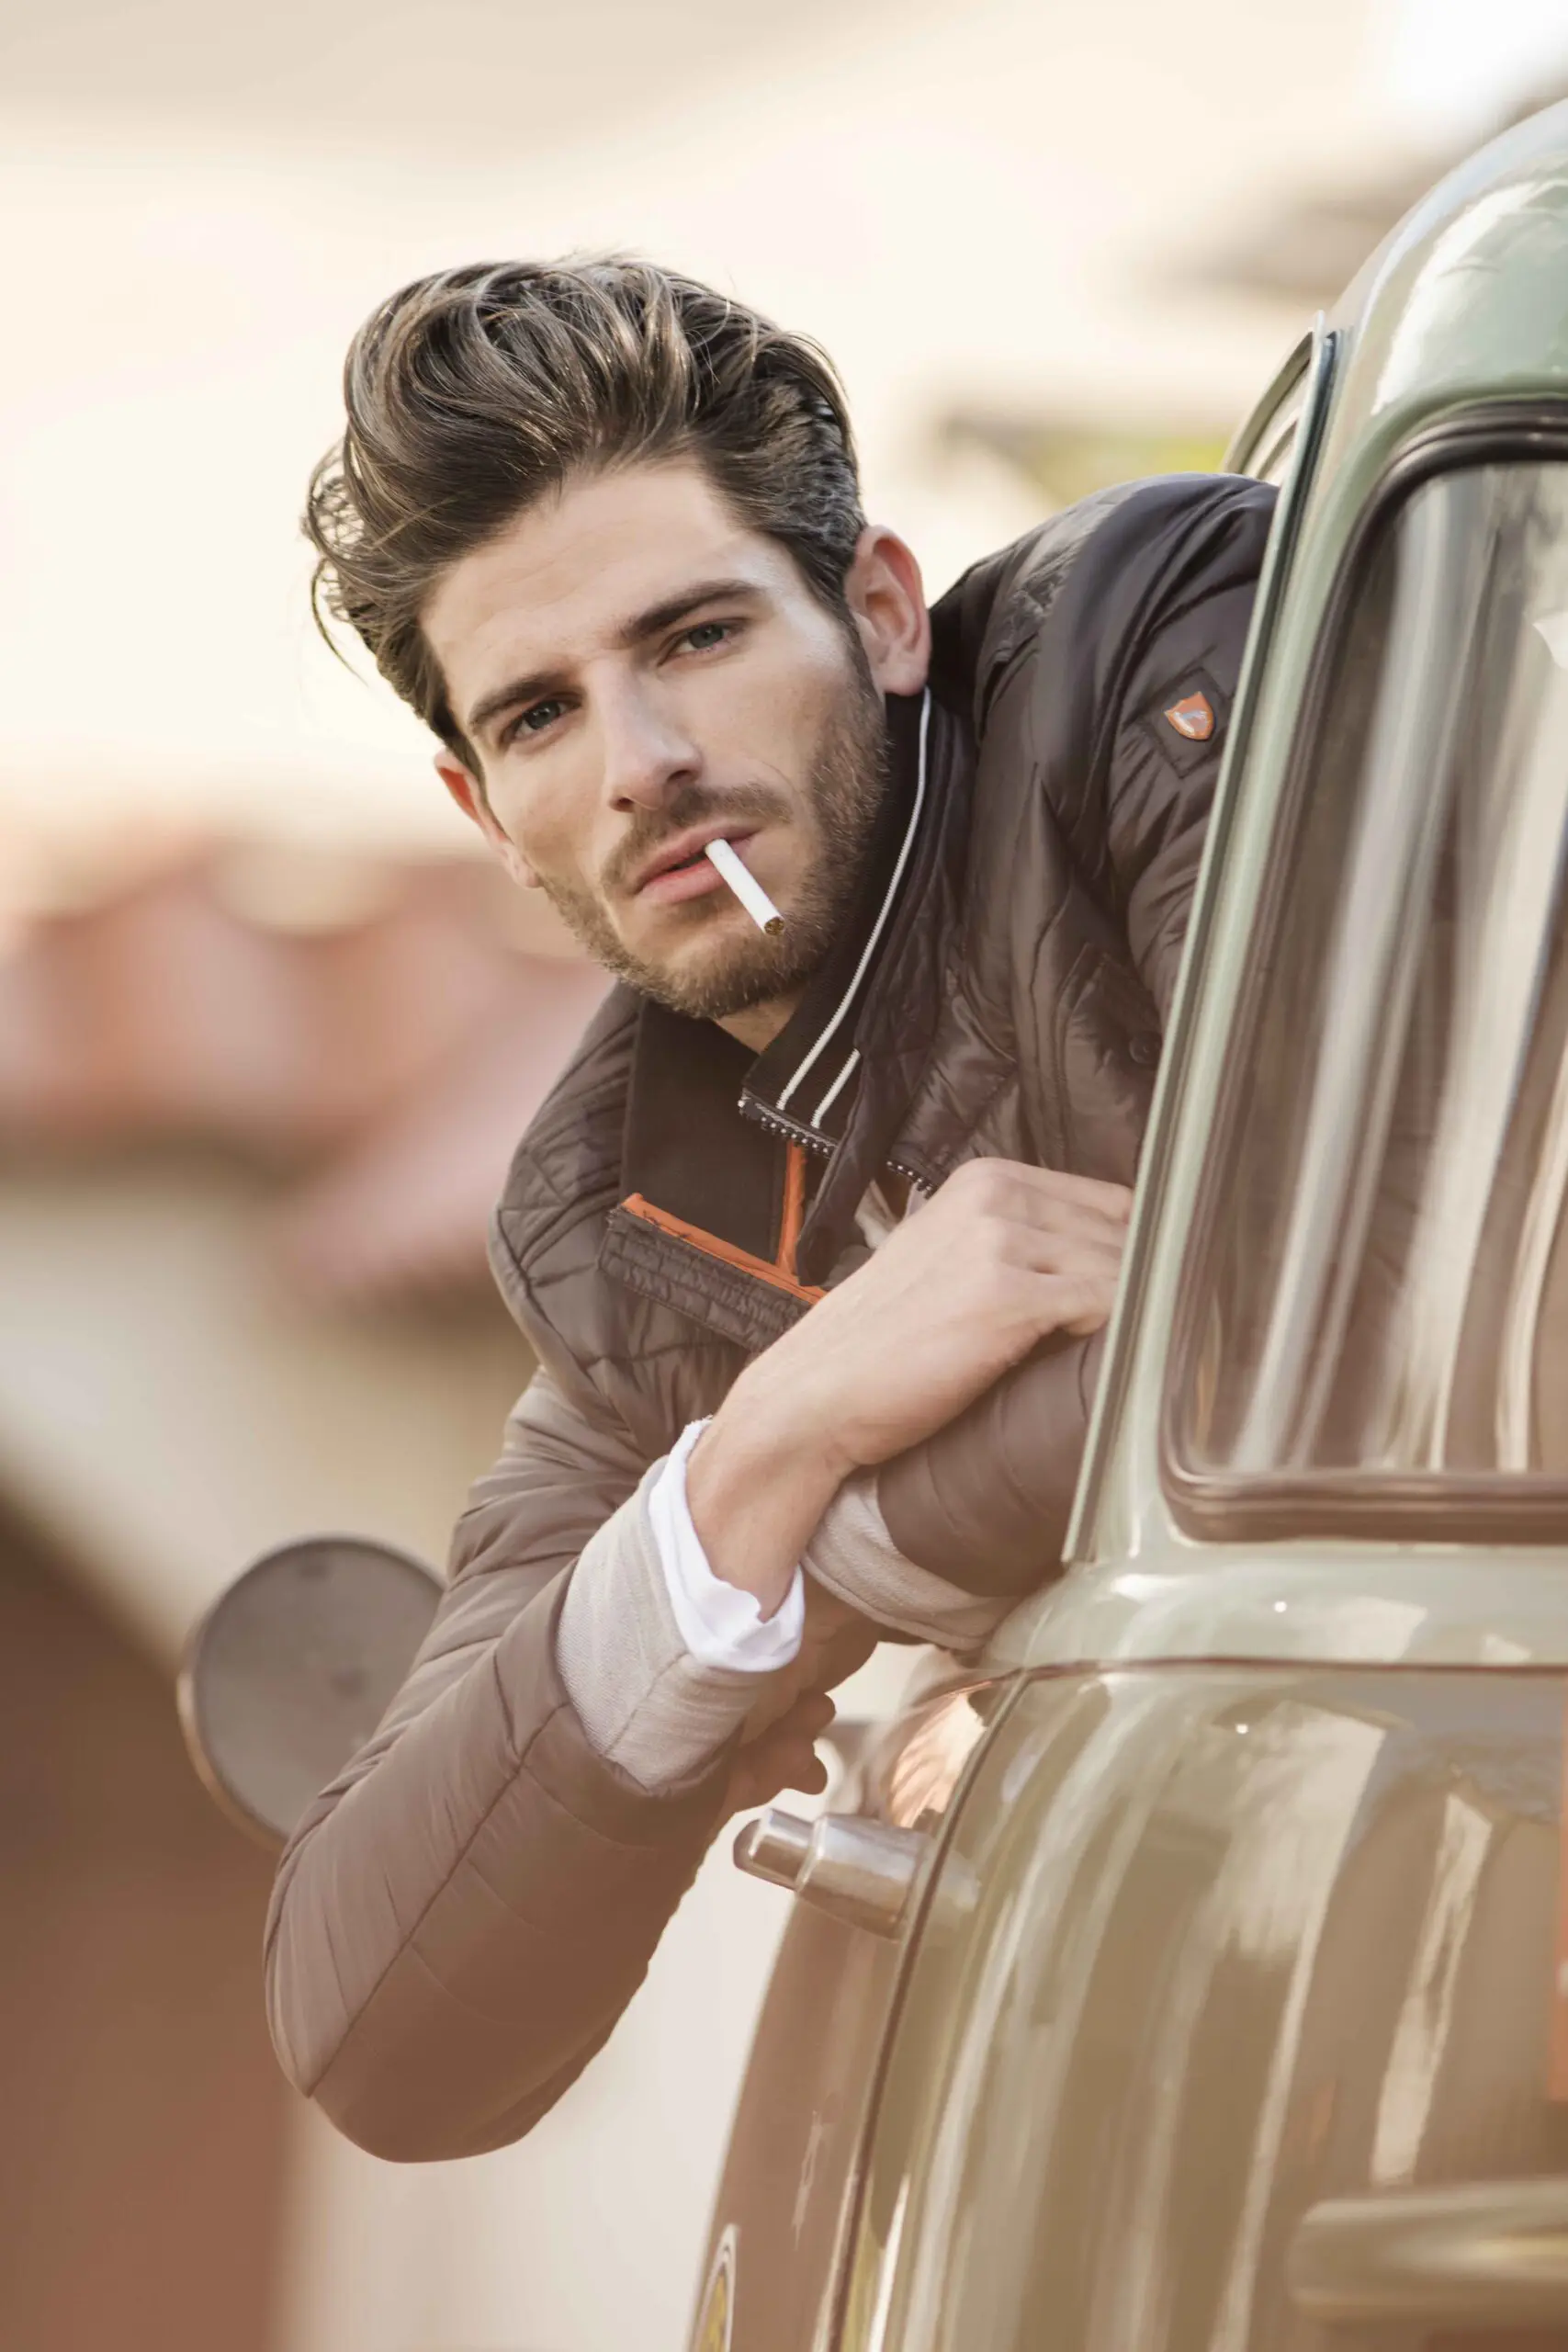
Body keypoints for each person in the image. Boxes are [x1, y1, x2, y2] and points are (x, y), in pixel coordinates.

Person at [264, 259, 1275, 2161]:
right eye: (543, 714)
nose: (644, 762)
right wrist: (778, 1432)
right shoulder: (618, 1222)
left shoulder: (1144, 664)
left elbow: (1355, 1331)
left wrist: (833, 1557)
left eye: (701, 634)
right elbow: (374, 2017)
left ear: (882, 612)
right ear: (487, 810)